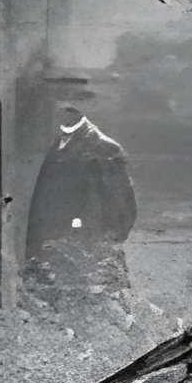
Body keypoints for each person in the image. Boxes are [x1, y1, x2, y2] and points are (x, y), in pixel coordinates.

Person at [25, 100, 137, 300]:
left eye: (68, 108)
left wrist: (111, 237)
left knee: (98, 299)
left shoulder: (104, 147)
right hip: (56, 236)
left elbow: (121, 201)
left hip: (87, 237)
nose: (61, 112)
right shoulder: (56, 141)